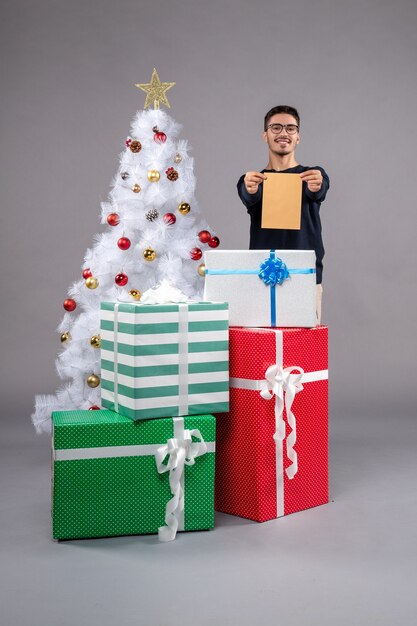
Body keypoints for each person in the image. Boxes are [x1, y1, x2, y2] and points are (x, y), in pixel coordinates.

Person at [237, 105, 329, 323]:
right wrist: (249, 188)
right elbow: (248, 194)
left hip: (304, 275)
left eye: (290, 128)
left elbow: (318, 190)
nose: (283, 133)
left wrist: (318, 185)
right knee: (264, 347)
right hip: (262, 275)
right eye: (276, 127)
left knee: (303, 349)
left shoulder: (312, 175)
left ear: (298, 137)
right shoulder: (253, 180)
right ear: (265, 135)